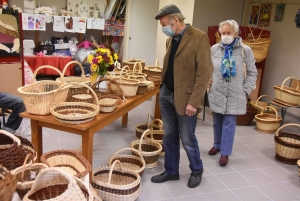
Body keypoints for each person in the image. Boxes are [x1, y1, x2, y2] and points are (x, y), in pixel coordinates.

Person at [151, 4, 212, 188]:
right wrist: (162, 90)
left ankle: (196, 170)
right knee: (169, 136)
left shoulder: (199, 38)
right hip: (167, 94)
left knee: (187, 138)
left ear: (175, 20)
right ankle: (171, 171)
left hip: (187, 99)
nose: (163, 29)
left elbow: (204, 74)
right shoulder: (171, 40)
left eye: (164, 25)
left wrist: (194, 102)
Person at [208, 20, 257, 166]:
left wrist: (245, 90)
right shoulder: (214, 49)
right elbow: (205, 67)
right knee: (217, 121)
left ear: (236, 33)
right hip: (217, 91)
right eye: (223, 33)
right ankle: (217, 144)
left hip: (235, 93)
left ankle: (225, 152)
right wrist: (207, 79)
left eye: (228, 33)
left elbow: (252, 72)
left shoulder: (245, 50)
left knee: (229, 123)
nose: (225, 36)